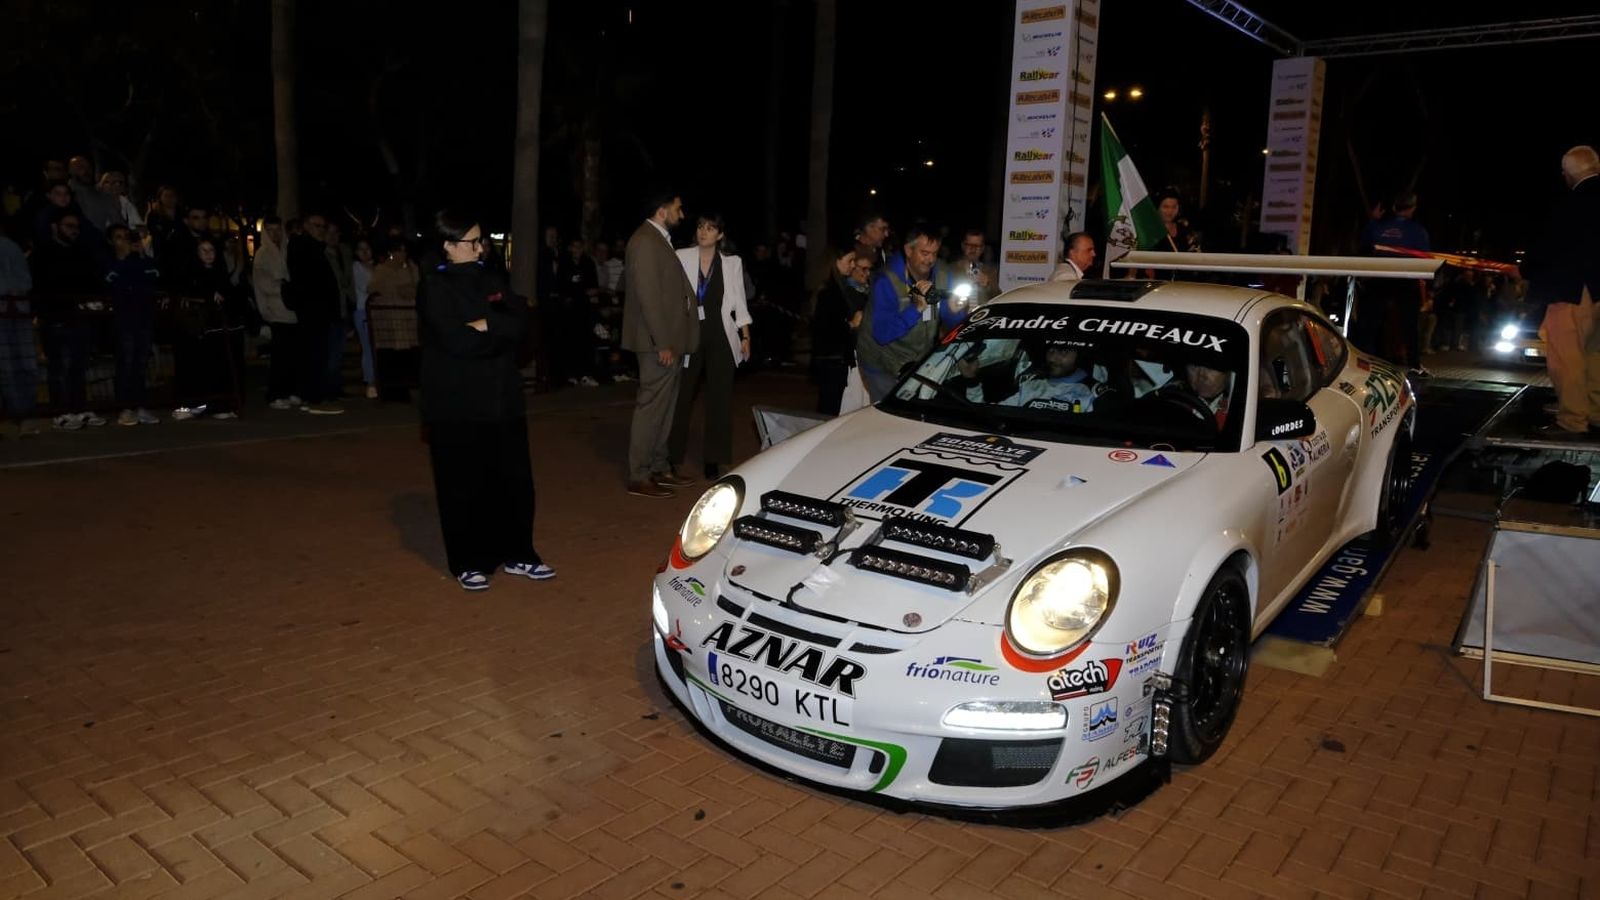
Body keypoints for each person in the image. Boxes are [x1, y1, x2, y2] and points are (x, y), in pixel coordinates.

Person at [418, 209, 553, 591]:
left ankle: (519, 553)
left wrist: (486, 325)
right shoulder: (434, 286)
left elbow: (521, 323)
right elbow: (454, 341)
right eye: (471, 242)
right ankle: (468, 561)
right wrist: (496, 329)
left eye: (481, 241)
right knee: (462, 484)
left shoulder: (492, 278)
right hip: (456, 406)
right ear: (447, 245)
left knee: (514, 482)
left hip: (502, 401)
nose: (479, 248)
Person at [622, 190, 699, 498]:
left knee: (665, 407)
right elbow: (648, 297)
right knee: (651, 407)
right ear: (663, 211)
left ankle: (658, 467)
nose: (682, 213)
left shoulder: (658, 240)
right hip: (658, 343)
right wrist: (662, 342)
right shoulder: (643, 241)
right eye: (678, 208)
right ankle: (639, 474)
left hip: (668, 341)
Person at [1520, 145, 1600, 438]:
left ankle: (1572, 420)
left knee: (1566, 357)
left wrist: (1524, 269)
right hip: (1597, 290)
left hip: (1573, 292)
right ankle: (1595, 413)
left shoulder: (1570, 204)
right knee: (1594, 356)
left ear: (1568, 173)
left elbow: (1548, 247)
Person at [668, 213, 751, 481]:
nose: (704, 232)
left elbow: (739, 301)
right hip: (690, 333)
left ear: (720, 235)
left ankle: (715, 460)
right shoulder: (682, 256)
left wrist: (746, 336)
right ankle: (672, 456)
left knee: (720, 399)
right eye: (701, 227)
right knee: (682, 396)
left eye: (711, 228)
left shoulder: (732, 263)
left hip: (721, 334)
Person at [856, 223, 967, 402]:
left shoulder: (943, 274)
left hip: (913, 360)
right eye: (924, 253)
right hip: (880, 361)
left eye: (934, 253)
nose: (930, 260)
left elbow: (950, 319)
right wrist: (915, 309)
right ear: (908, 250)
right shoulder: (887, 281)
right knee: (891, 414)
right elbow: (882, 335)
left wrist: (955, 313)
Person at [31, 209, 105, 430]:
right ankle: (60, 411)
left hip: (79, 317)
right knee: (59, 366)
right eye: (68, 226)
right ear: (55, 227)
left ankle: (79, 407)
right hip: (54, 317)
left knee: (78, 365)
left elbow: (91, 280)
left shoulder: (81, 253)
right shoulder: (43, 253)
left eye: (76, 227)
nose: (73, 231)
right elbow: (40, 285)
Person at [1358, 192, 1432, 377]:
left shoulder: (1377, 227)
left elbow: (1364, 244)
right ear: (1413, 208)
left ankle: (1363, 361)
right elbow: (1424, 257)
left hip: (1379, 279)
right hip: (1405, 281)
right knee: (1409, 325)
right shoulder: (1418, 231)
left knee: (1369, 323)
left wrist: (1373, 220)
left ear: (1393, 208)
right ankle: (1414, 364)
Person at [171, 238, 245, 420]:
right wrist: (207, 296)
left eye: (211, 249)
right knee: (194, 370)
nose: (208, 254)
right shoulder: (188, 274)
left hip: (217, 331)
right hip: (195, 333)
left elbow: (229, 295)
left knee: (219, 369)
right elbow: (186, 294)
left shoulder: (220, 273)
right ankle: (191, 408)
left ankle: (219, 406)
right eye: (203, 250)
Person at [284, 213, 345, 414]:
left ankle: (316, 394)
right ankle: (313, 397)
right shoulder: (302, 245)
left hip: (320, 313)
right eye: (316, 225)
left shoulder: (316, 248)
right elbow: (307, 282)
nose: (321, 229)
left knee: (319, 354)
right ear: (306, 226)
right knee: (313, 354)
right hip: (312, 312)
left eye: (323, 226)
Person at [104, 225, 162, 425]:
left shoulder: (141, 260)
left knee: (141, 363)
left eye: (127, 237)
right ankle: (125, 407)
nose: (124, 242)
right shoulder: (110, 261)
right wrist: (121, 260)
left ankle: (139, 405)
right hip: (124, 320)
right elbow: (111, 282)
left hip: (143, 318)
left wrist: (142, 254)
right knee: (126, 362)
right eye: (118, 238)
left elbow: (154, 275)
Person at [810, 247, 872, 415]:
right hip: (831, 359)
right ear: (836, 261)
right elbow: (826, 328)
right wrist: (851, 324)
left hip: (835, 359)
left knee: (833, 406)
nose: (852, 265)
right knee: (829, 408)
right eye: (849, 261)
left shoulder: (837, 288)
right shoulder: (829, 291)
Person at [959, 342, 1100, 411]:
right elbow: (988, 414)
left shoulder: (1092, 392)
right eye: (1051, 350)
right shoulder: (1031, 386)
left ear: (1079, 357)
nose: (1053, 358)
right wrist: (971, 379)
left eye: (1063, 352)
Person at [253, 216, 301, 409]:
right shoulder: (262, 254)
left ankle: (290, 391)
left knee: (292, 355)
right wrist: (282, 286)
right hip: (275, 310)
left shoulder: (287, 250)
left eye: (277, 229)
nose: (275, 234)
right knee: (280, 355)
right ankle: (275, 394)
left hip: (291, 310)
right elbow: (262, 283)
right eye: (270, 230)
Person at [0, 220, 40, 436]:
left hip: (15, 312)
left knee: (15, 365)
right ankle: (23, 415)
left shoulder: (10, 247)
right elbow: (24, 282)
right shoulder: (12, 247)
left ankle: (23, 414)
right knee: (19, 365)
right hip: (17, 312)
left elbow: (24, 281)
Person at [368, 238, 421, 401]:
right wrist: (400, 289)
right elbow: (373, 289)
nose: (402, 254)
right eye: (399, 250)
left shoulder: (411, 268)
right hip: (389, 322)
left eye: (405, 251)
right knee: (391, 356)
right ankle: (392, 391)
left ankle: (405, 388)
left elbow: (417, 287)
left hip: (407, 321)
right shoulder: (382, 270)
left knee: (407, 355)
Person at [554, 237, 600, 387]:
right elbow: (561, 287)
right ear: (570, 248)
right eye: (574, 246)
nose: (577, 250)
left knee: (585, 342)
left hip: (584, 310)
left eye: (580, 247)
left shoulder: (588, 263)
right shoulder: (564, 263)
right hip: (568, 311)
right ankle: (571, 375)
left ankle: (586, 374)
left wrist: (580, 292)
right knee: (570, 342)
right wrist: (574, 293)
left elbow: (593, 287)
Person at [352, 237, 378, 399]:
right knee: (368, 347)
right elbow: (366, 287)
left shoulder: (378, 266)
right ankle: (370, 382)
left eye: (367, 248)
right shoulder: (357, 267)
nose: (365, 252)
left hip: (377, 311)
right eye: (361, 249)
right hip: (363, 310)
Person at [954, 229, 998, 303]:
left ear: (982, 248)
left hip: (983, 313)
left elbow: (998, 298)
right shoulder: (951, 269)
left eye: (977, 246)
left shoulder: (990, 271)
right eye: (969, 245)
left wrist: (987, 284)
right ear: (963, 246)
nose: (973, 249)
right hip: (959, 313)